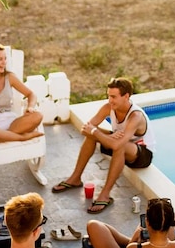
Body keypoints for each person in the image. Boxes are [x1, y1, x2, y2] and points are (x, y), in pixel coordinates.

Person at [52, 77, 156, 214]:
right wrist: (101, 134)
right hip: (121, 142)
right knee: (91, 136)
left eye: (114, 97)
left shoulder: (135, 116)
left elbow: (116, 144)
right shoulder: (109, 107)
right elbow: (85, 128)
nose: (110, 100)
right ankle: (75, 178)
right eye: (108, 96)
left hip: (141, 155)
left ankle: (105, 195)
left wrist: (97, 132)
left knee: (117, 144)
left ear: (126, 96)